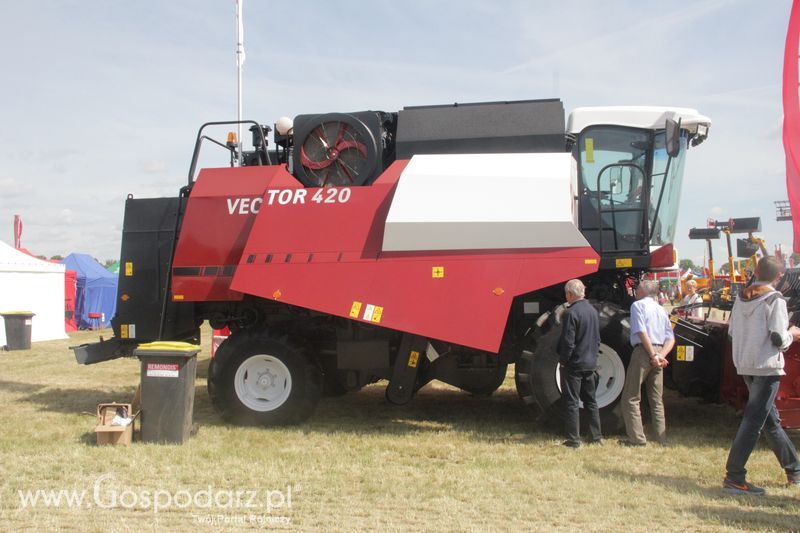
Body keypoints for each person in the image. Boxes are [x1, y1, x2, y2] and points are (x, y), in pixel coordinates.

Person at [723, 256, 800, 495]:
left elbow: (732, 333)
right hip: (767, 367)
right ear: (779, 277)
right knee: (754, 421)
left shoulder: (740, 297)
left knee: (769, 421)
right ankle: (734, 477)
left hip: (746, 364)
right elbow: (778, 338)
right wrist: (793, 334)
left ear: (755, 271)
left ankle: (794, 470)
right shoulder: (775, 299)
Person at [621, 279, 675, 446]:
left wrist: (652, 355)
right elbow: (670, 338)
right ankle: (661, 438)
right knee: (656, 398)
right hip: (660, 352)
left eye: (637, 289)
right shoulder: (661, 309)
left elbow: (641, 331)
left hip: (644, 352)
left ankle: (637, 439)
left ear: (643, 291)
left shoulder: (638, 306)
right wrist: (661, 356)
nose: (635, 292)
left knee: (631, 396)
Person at [556, 279, 602, 448]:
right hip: (590, 362)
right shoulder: (592, 311)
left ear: (570, 294)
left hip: (574, 364)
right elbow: (597, 339)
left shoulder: (571, 313)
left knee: (572, 402)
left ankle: (573, 439)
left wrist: (563, 360)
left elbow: (568, 341)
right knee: (591, 400)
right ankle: (596, 436)